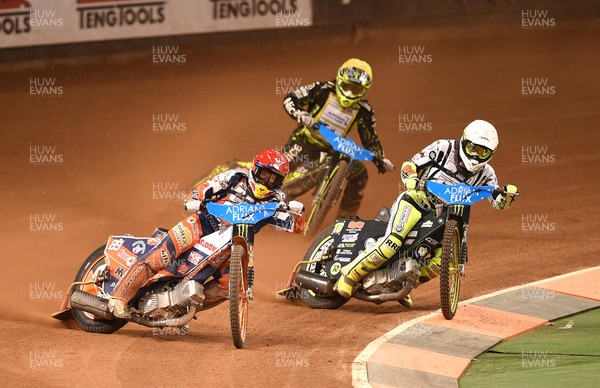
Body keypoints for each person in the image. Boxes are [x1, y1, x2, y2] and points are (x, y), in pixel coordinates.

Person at [334, 119, 519, 305]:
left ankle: (401, 283)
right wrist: (411, 178)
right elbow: (409, 165)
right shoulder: (443, 147)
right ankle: (349, 276)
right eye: (473, 148)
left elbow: (498, 203)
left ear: (491, 153)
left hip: (446, 217)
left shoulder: (487, 173)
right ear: (464, 141)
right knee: (392, 243)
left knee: (442, 263)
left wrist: (508, 195)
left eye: (483, 152)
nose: (476, 156)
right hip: (417, 201)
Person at [107, 149, 306, 319]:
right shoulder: (235, 177)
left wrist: (298, 212)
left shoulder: (275, 202)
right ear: (255, 169)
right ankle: (119, 297)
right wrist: (195, 199)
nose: (268, 181)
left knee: (230, 288)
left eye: (274, 179)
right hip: (202, 225)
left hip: (229, 247)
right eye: (265, 175)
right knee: (162, 255)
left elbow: (296, 227)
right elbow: (205, 188)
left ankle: (180, 307)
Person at [281, 58, 394, 217]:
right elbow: (291, 98)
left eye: (355, 90)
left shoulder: (364, 111)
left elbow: (371, 139)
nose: (349, 93)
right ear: (340, 81)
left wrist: (381, 159)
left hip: (333, 152)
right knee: (278, 171)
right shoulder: (322, 89)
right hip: (304, 141)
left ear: (364, 90)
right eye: (347, 87)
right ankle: (264, 204)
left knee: (360, 173)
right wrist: (300, 114)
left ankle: (346, 219)